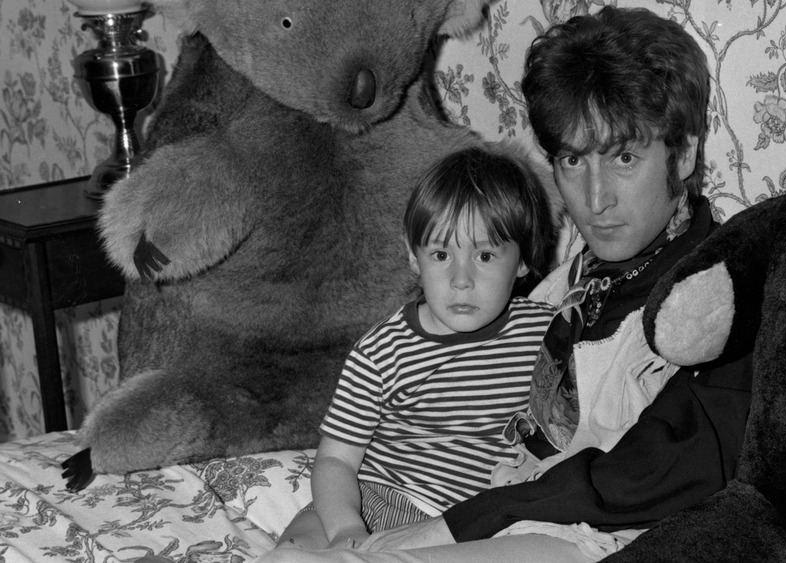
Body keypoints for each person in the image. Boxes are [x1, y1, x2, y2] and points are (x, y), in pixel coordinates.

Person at [257, 6, 753, 563]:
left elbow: (667, 466)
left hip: (593, 535)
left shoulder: (722, 291)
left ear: (683, 153)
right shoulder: (574, 284)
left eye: (624, 157)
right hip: (494, 510)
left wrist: (461, 523)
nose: (595, 200)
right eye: (572, 160)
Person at [262, 145, 558, 555]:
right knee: (299, 545)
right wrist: (348, 528)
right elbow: (336, 461)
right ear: (412, 256)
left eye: (485, 255)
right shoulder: (381, 350)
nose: (460, 279)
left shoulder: (547, 333)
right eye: (440, 254)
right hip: (377, 500)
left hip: (466, 527)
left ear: (523, 258)